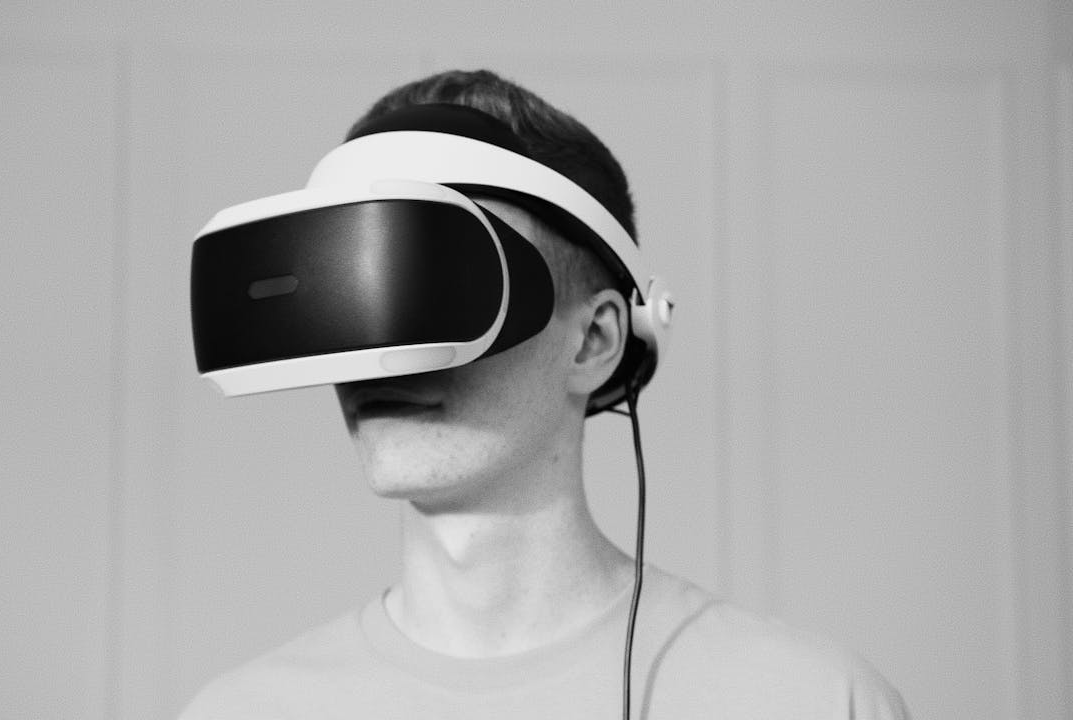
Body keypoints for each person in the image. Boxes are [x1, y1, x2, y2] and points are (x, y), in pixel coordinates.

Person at [179, 69, 909, 720]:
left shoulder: (813, 702)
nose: (380, 363)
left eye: (433, 287)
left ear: (594, 341)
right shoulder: (236, 714)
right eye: (354, 291)